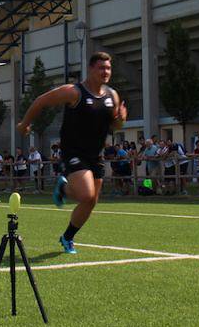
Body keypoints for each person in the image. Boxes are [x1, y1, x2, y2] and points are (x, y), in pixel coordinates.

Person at [17, 51, 127, 255]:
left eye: (109, 68)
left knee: (91, 201)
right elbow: (41, 100)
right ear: (91, 68)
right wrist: (24, 124)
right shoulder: (74, 92)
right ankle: (63, 190)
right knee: (86, 195)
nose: (106, 72)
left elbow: (115, 124)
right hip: (73, 151)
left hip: (96, 154)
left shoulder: (112, 96)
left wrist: (121, 119)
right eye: (102, 68)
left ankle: (67, 237)